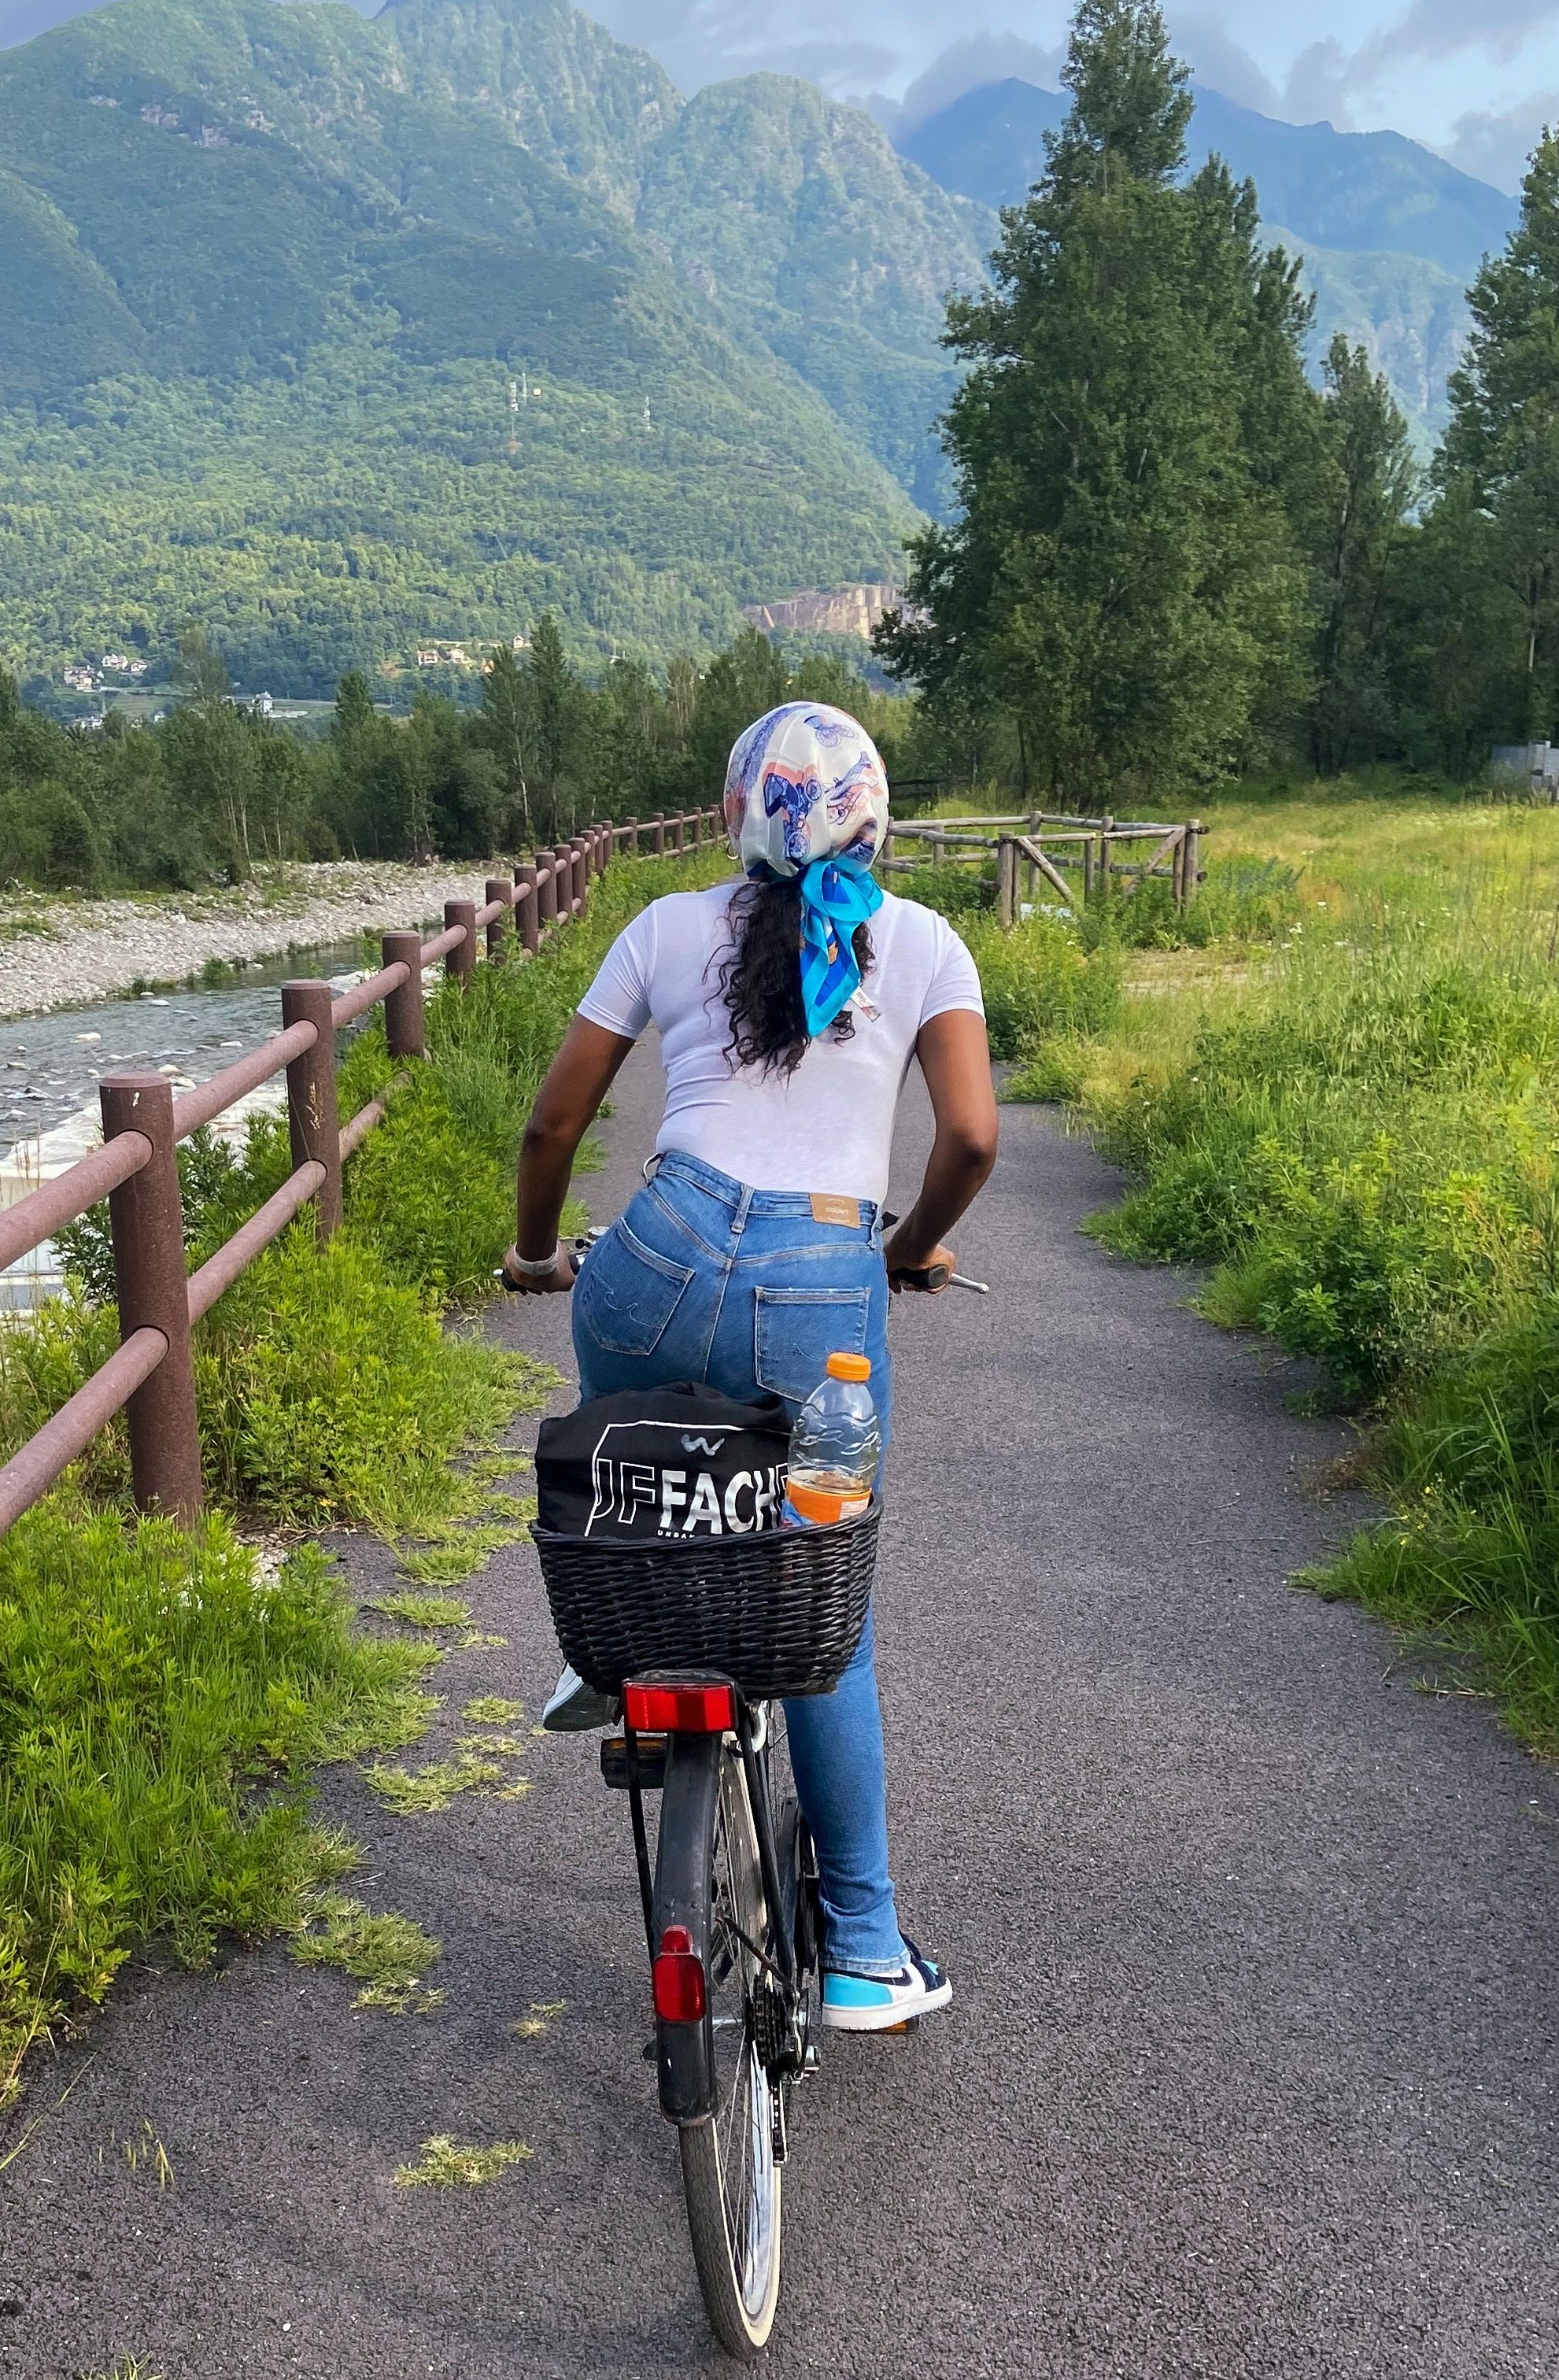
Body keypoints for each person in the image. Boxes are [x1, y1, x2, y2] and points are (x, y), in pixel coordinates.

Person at [504, 700, 998, 2031]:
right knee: (826, 1611)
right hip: (825, 1292)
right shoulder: (924, 942)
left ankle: (614, 1643)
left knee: (634, 1457)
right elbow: (971, 1139)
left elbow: (557, 1123)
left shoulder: (664, 929)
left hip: (652, 1255)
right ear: (878, 821)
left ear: (733, 816)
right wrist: (904, 1249)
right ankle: (864, 1950)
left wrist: (538, 1255)